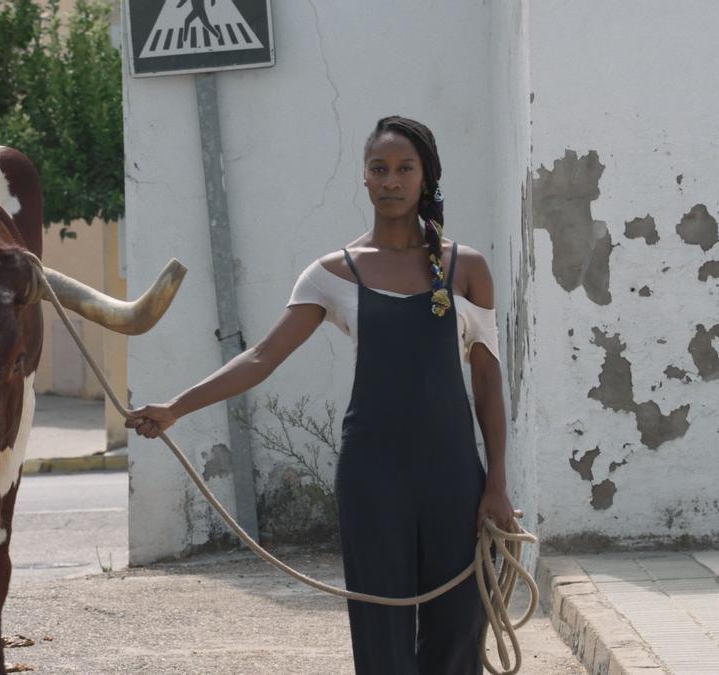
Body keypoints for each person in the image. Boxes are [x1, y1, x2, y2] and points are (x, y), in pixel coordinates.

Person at [125, 115, 515, 674]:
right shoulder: (333, 273)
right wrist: (175, 408)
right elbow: (261, 357)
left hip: (454, 475)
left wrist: (495, 482)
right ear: (364, 179)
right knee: (381, 635)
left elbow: (487, 379)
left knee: (458, 631)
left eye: (405, 168)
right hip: (372, 477)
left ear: (426, 176)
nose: (392, 181)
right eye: (379, 169)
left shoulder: (465, 268)